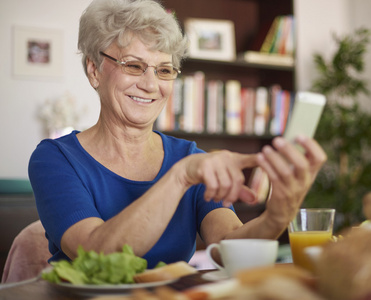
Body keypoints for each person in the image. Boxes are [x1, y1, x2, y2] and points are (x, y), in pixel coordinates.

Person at [28, 0, 327, 268]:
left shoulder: (189, 158)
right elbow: (96, 253)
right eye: (134, 65)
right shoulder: (56, 158)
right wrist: (180, 177)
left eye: (164, 70)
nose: (150, 84)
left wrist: (276, 216)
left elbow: (228, 247)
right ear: (94, 71)